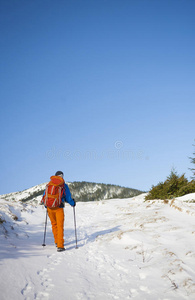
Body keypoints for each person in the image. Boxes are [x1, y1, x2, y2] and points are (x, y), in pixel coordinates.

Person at [42, 171, 76, 252]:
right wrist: (73, 203)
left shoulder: (49, 184)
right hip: (58, 208)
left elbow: (44, 196)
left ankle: (57, 242)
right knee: (60, 226)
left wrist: (46, 205)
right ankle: (60, 246)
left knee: (54, 225)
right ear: (62, 176)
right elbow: (67, 197)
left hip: (50, 208)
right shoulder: (63, 185)